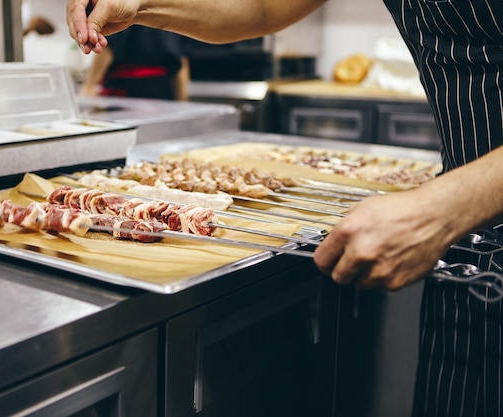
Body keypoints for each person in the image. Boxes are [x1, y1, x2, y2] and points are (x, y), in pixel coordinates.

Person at [66, 1, 503, 416]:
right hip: (468, 252)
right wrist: (142, 6)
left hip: (456, 211)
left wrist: (446, 205)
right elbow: (262, 7)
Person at [80, 25, 189, 100]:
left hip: (129, 89)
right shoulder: (170, 9)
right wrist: (182, 102)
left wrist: (89, 86)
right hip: (162, 90)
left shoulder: (125, 5)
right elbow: (181, 62)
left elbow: (108, 48)